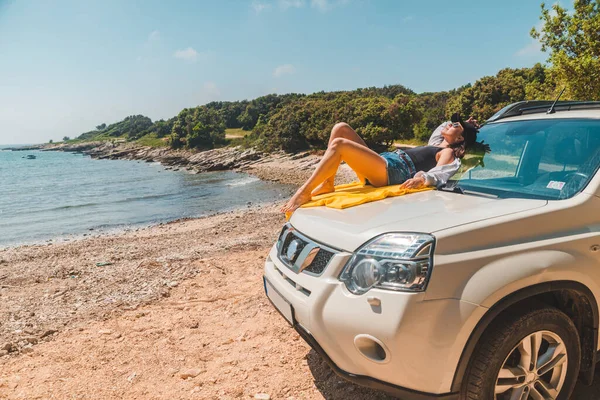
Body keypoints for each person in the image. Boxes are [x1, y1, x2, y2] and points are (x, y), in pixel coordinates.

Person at [280, 113, 479, 213]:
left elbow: (441, 172)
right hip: (384, 161)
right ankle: (327, 182)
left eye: (456, 126)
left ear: (460, 139)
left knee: (340, 144)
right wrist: (465, 124)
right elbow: (442, 128)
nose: (449, 125)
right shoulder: (436, 142)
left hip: (392, 172)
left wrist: (421, 179)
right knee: (340, 128)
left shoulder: (447, 152)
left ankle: (303, 192)